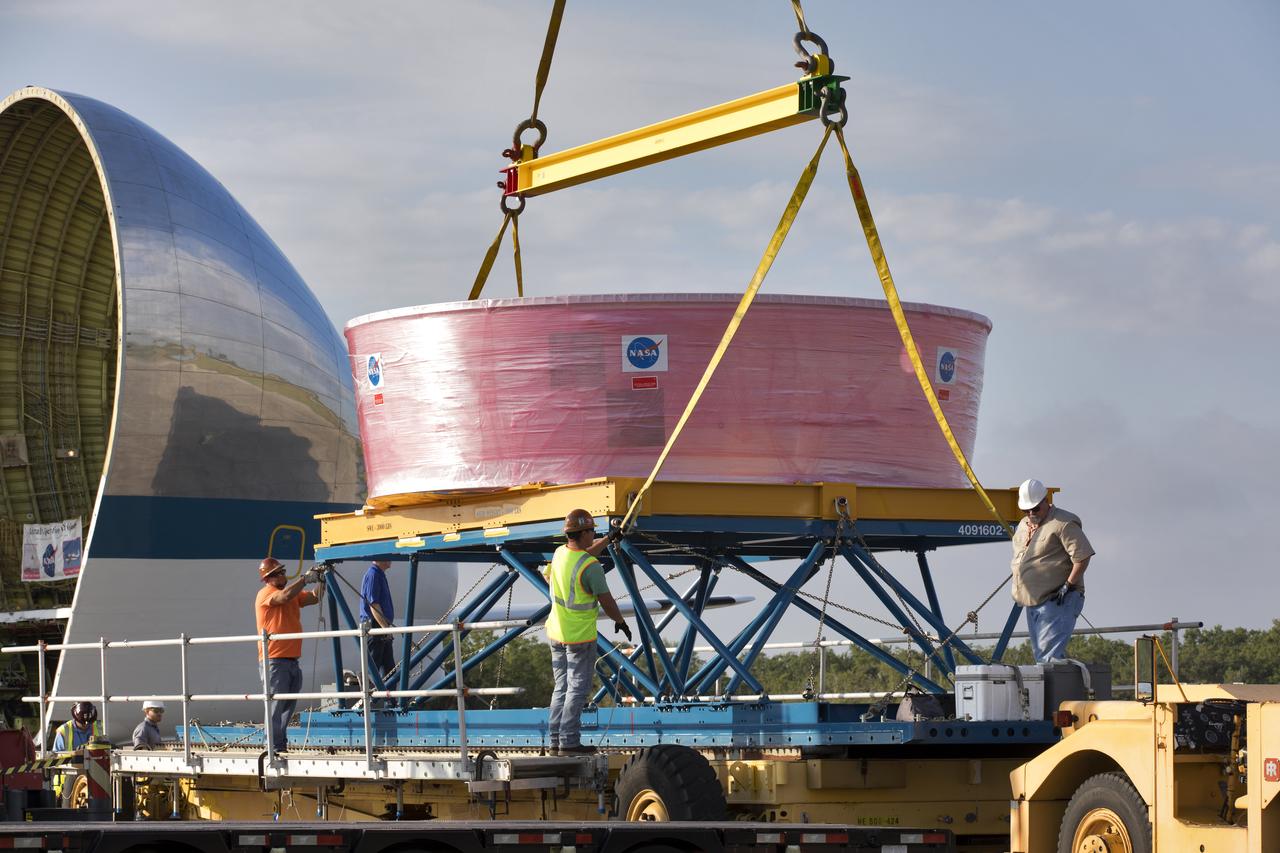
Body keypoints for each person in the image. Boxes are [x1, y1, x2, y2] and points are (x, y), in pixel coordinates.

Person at [545, 509, 631, 756]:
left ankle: (555, 741)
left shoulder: (560, 553)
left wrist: (608, 539)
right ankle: (569, 742)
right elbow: (607, 600)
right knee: (577, 689)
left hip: (556, 632)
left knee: (561, 687)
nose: (594, 534)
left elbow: (581, 557)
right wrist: (620, 621)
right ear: (583, 533)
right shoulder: (591, 567)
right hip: (579, 637)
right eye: (592, 531)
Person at [1010, 478, 1095, 663]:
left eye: (1035, 509)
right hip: (1032, 601)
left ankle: (1059, 683)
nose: (1031, 514)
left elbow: (1082, 556)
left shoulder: (1063, 523)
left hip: (1057, 599)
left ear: (1046, 501)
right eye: (1026, 510)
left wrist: (1068, 585)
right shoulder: (1023, 525)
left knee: (1048, 659)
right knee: (1043, 658)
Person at [255, 556, 323, 752]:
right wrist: (305, 579)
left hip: (291, 659)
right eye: (277, 573)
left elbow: (313, 598)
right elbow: (283, 597)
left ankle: (279, 744)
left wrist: (322, 581)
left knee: (287, 705)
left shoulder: (292, 593)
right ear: (268, 579)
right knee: (275, 705)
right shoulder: (265, 594)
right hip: (274, 660)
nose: (282, 575)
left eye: (282, 572)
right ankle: (272, 746)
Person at [51, 701, 103, 799]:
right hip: (66, 782)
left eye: (88, 724)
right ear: (75, 718)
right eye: (82, 724)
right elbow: (55, 758)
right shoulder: (64, 731)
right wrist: (76, 754)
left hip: (95, 777)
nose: (85, 726)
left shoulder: (99, 728)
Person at [359, 559, 396, 679]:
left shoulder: (379, 574)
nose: (391, 559)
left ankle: (388, 692)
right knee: (374, 669)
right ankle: (369, 688)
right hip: (375, 626)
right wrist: (385, 628)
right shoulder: (373, 574)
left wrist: (386, 628)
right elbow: (374, 604)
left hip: (381, 626)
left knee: (389, 670)